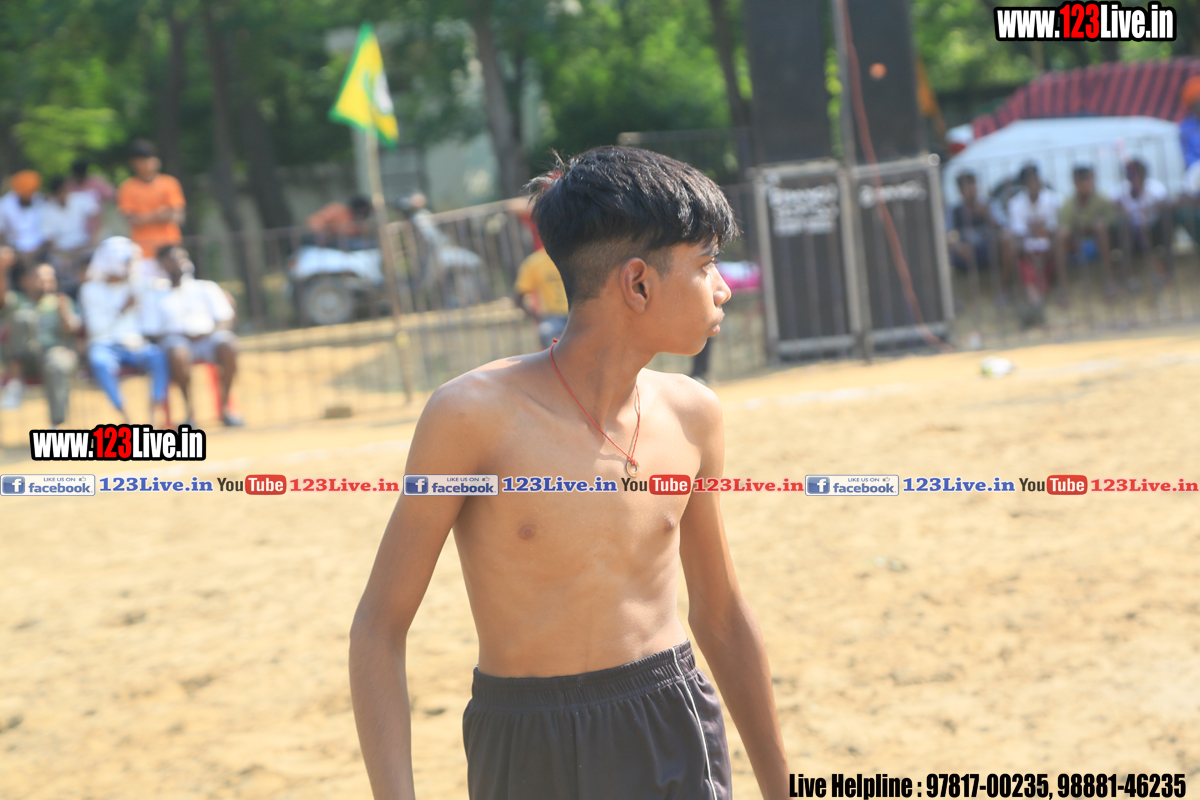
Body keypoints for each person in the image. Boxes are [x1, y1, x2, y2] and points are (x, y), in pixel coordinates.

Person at [349, 147, 788, 800]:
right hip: (528, 742)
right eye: (705, 265)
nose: (722, 288)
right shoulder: (471, 417)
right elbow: (379, 628)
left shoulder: (693, 414)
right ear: (638, 283)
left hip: (670, 723)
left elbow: (720, 614)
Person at [142, 245, 242, 427]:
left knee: (228, 344)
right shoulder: (154, 294)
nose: (180, 262)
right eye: (173, 259)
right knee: (177, 352)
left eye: (183, 257)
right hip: (176, 341)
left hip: (209, 337)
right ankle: (189, 412)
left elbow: (225, 317)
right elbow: (152, 331)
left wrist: (207, 333)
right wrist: (182, 336)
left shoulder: (206, 287)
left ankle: (225, 408)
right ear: (161, 264)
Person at [78, 237, 169, 424]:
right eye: (126, 262)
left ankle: (153, 414)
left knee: (158, 357)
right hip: (104, 345)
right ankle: (126, 417)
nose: (130, 266)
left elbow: (162, 286)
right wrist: (122, 310)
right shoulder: (89, 290)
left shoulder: (136, 285)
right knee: (100, 363)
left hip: (136, 345)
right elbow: (96, 329)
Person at [0, 249, 81, 427]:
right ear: (25, 281)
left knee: (56, 364)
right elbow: (2, 297)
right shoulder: (17, 301)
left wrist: (64, 312)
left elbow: (75, 330)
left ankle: (56, 425)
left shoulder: (61, 301)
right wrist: (2, 269)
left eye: (50, 279)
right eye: (40, 278)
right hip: (25, 358)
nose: (46, 283)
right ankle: (15, 384)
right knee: (22, 318)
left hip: (54, 354)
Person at [1004, 164, 1060, 322]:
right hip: (1027, 254)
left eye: (1036, 180)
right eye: (1030, 181)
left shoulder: (1053, 199)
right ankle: (1035, 307)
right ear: (1024, 185)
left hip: (1048, 252)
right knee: (1029, 275)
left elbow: (1054, 233)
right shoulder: (1015, 204)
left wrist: (1044, 257)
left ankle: (1035, 309)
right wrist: (1034, 259)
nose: (1034, 184)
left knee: (1040, 278)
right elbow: (1019, 237)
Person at [117, 140, 186, 267]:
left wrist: (144, 218)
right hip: (142, 252)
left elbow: (178, 216)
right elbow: (131, 220)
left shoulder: (169, 183)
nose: (148, 164)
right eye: (142, 161)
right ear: (134, 163)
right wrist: (158, 215)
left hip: (170, 248)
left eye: (150, 159)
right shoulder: (127, 187)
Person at [1053, 164, 1117, 298]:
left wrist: (1094, 227)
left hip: (1099, 243)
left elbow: (1113, 220)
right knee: (1061, 235)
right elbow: (1064, 228)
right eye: (1082, 180)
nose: (1086, 184)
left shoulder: (1102, 200)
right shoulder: (1069, 204)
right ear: (1075, 183)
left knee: (1101, 227)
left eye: (1088, 179)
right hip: (1076, 245)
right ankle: (1062, 285)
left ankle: (1109, 280)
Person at [41, 176, 101, 298]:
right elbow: (50, 241)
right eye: (58, 194)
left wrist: (93, 237)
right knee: (58, 264)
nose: (62, 196)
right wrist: (66, 253)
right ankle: (66, 294)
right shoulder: (47, 210)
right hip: (63, 251)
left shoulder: (81, 199)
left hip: (83, 244)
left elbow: (97, 215)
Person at [1115, 158, 1171, 287]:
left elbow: (1165, 204)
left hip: (1154, 230)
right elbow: (1114, 207)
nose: (1136, 179)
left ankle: (1163, 270)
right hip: (1131, 232)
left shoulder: (1156, 188)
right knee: (1129, 228)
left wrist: (1151, 208)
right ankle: (1130, 275)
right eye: (1132, 176)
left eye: (1139, 175)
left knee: (1145, 229)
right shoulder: (1120, 191)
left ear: (1145, 175)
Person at [513, 245, 569, 349]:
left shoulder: (579, 258)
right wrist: (536, 318)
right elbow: (518, 298)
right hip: (553, 318)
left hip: (580, 314)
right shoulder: (534, 262)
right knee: (546, 333)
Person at [947, 171, 999, 275]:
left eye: (974, 187)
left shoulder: (988, 205)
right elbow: (949, 233)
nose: (972, 191)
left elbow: (1001, 228)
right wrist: (958, 246)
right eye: (968, 189)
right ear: (961, 190)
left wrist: (987, 216)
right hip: (966, 249)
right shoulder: (954, 210)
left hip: (988, 247)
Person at [0, 170, 49, 269]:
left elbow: (47, 230)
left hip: (39, 249)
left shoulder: (40, 200)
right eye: (26, 192)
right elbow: (2, 233)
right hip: (15, 249)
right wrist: (13, 249)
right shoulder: (5, 204)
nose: (29, 194)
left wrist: (37, 249)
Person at [306, 196, 373, 248]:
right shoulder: (337, 210)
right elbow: (315, 220)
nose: (368, 214)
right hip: (323, 244)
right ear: (359, 209)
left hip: (341, 247)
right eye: (366, 211)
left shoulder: (361, 223)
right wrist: (321, 232)